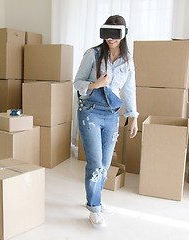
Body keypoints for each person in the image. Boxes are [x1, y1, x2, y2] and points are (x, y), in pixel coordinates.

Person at [73, 15, 139, 228]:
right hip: (90, 111)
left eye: (115, 34)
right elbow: (77, 82)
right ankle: (94, 207)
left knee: (105, 164)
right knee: (94, 163)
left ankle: (96, 202)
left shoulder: (127, 60)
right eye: (107, 33)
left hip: (112, 115)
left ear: (123, 34)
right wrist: (96, 84)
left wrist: (133, 118)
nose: (110, 39)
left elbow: (129, 90)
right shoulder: (92, 54)